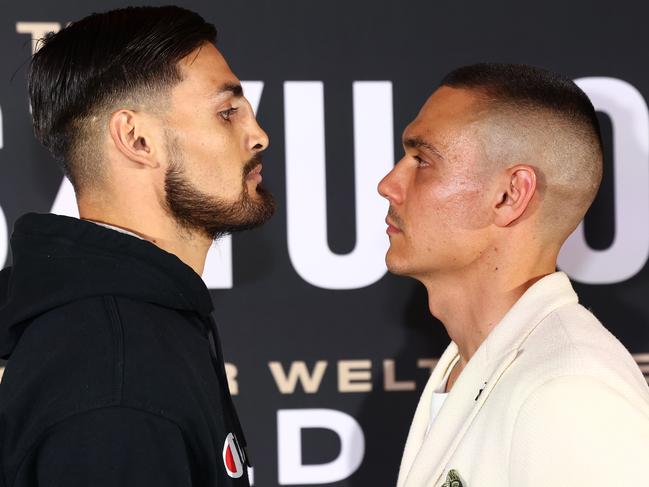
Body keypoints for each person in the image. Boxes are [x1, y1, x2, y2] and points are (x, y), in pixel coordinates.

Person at [0, 6, 274, 486]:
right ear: (137, 138)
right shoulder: (115, 382)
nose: (258, 136)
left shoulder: (138, 325)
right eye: (227, 112)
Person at [378, 63, 649, 487]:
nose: (388, 184)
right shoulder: (474, 361)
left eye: (422, 160)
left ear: (510, 196)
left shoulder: (569, 391)